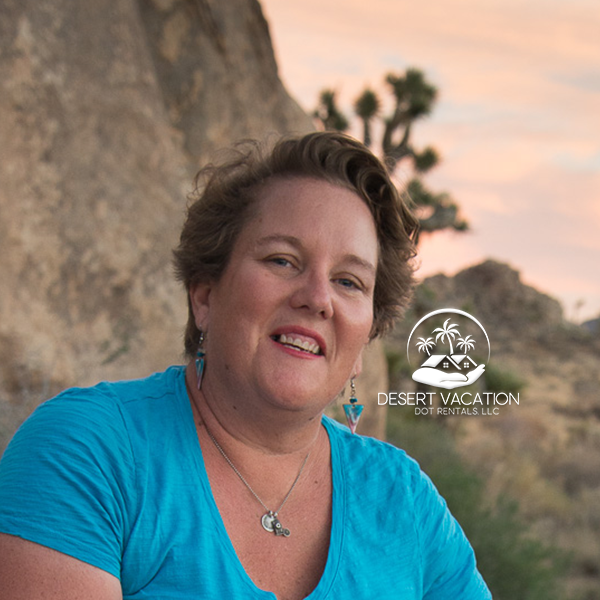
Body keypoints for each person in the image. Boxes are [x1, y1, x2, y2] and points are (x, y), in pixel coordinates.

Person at [0, 132, 491, 599]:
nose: (318, 299)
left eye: (348, 282)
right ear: (205, 295)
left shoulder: (402, 501)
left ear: (365, 342)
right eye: (282, 260)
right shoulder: (89, 453)